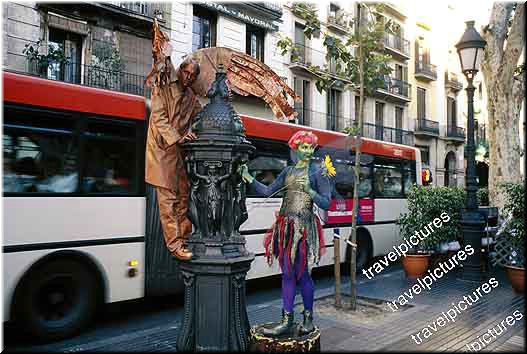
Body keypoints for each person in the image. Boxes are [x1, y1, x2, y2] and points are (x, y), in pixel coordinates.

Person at [239, 130, 332, 336]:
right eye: (303, 147)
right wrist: (247, 177)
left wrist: (311, 190)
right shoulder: (287, 171)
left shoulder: (319, 172)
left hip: (305, 228)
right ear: (296, 148)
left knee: (304, 273)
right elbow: (266, 191)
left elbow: (327, 203)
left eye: (310, 147)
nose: (307, 151)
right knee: (287, 273)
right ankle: (287, 320)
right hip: (285, 228)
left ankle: (308, 318)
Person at [145, 19, 202, 261]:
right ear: (180, 69)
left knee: (182, 197)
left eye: (192, 74)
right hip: (161, 152)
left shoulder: (191, 96)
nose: (188, 77)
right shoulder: (163, 85)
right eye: (185, 71)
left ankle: (185, 237)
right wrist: (179, 137)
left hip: (177, 155)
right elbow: (158, 117)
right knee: (167, 202)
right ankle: (175, 246)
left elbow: (202, 115)